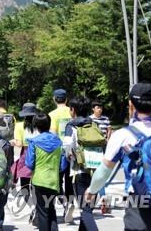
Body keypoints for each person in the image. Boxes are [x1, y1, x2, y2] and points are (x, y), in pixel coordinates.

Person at [86, 83, 151, 231]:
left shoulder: (122, 136)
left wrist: (92, 191)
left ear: (131, 105)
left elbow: (103, 172)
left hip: (139, 212)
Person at [62, 96, 101, 231]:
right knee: (88, 207)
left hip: (79, 171)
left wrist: (69, 156)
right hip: (96, 171)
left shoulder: (71, 125)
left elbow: (67, 145)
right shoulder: (94, 124)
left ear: (73, 110)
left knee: (86, 211)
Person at [25, 113, 67, 231]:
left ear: (36, 126)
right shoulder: (58, 142)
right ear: (49, 124)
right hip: (54, 181)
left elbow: (29, 163)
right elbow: (62, 165)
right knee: (51, 209)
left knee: (42, 212)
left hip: (39, 180)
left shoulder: (34, 142)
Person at [12, 103, 40, 225]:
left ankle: (33, 207)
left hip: (26, 155)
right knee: (38, 184)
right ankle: (38, 209)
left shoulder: (19, 125)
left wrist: (12, 142)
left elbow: (18, 144)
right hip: (39, 155)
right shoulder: (40, 124)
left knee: (24, 186)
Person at [48, 88, 74, 222]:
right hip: (73, 151)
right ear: (66, 99)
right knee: (70, 181)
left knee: (57, 181)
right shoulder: (72, 112)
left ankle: (64, 203)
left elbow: (52, 134)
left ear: (54, 99)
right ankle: (70, 204)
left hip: (59, 152)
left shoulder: (52, 114)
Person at [89, 100, 112, 214]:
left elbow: (109, 129)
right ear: (93, 109)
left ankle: (100, 198)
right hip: (92, 149)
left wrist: (108, 139)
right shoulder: (89, 119)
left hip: (102, 148)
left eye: (101, 108)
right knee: (97, 174)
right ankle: (102, 198)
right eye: (97, 107)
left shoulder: (105, 119)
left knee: (99, 173)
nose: (100, 109)